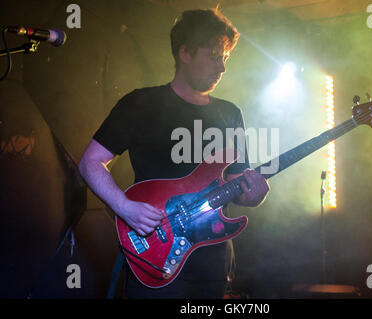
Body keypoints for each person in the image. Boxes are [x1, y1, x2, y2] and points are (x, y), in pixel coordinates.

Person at [79, 8, 270, 298]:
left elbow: (237, 183)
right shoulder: (141, 104)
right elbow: (90, 162)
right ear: (185, 53)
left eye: (226, 58)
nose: (222, 67)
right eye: (214, 55)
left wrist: (254, 194)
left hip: (213, 260)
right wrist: (125, 207)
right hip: (155, 255)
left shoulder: (230, 114)